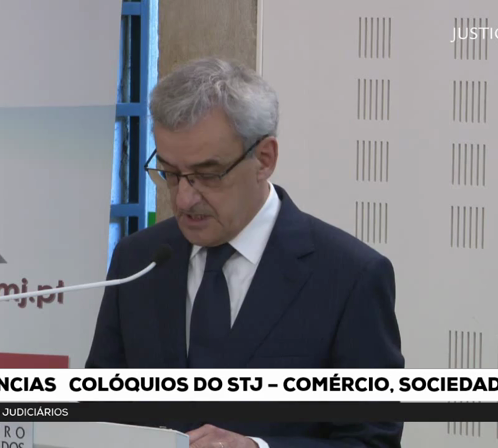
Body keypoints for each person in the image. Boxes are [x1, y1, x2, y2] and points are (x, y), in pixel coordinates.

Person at [85, 57, 404, 448]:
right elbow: (100, 415)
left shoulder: (350, 276)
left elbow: (372, 441)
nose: (184, 199)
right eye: (170, 173)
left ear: (264, 159)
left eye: (207, 175)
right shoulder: (138, 260)